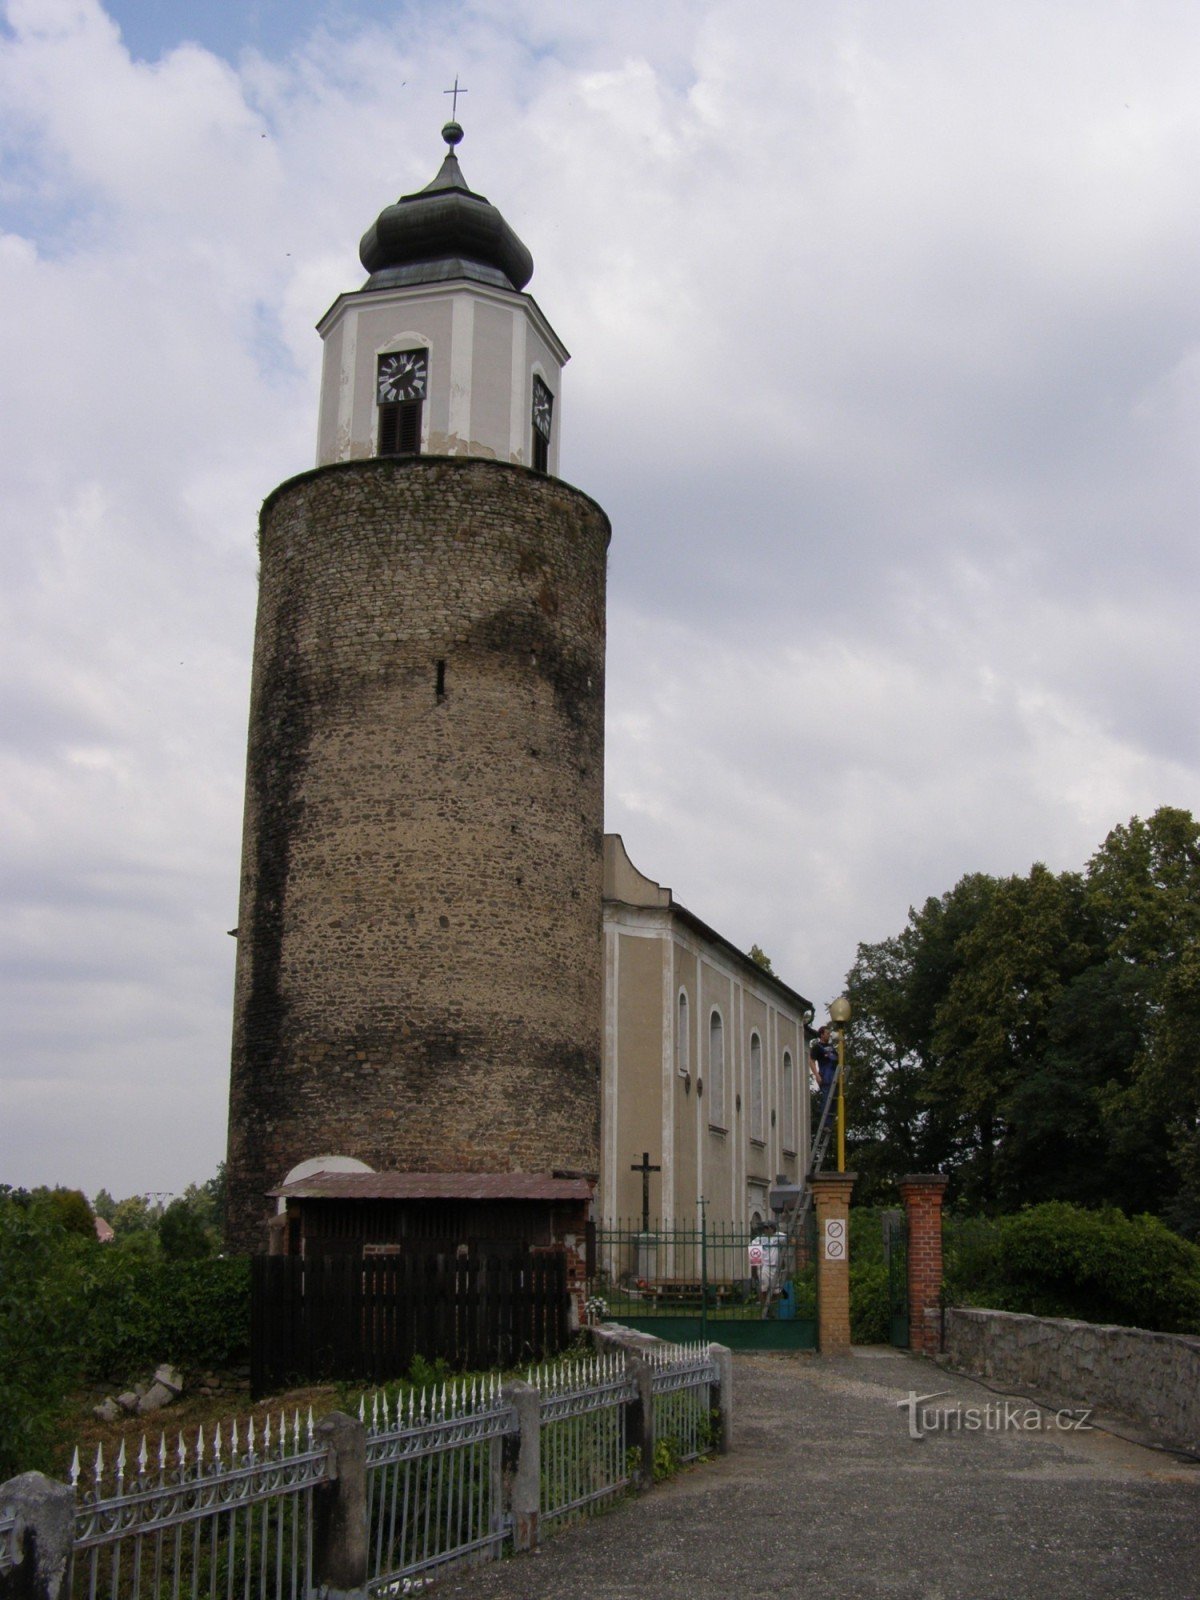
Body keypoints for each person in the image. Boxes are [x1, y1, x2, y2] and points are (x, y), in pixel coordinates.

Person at [809, 1024, 838, 1131]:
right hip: (826, 1074)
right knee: (827, 1098)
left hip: (834, 1073)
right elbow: (811, 1060)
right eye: (827, 1033)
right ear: (821, 1035)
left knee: (834, 1098)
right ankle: (825, 1124)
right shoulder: (818, 1047)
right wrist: (816, 1075)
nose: (829, 1035)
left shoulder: (831, 1047)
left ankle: (830, 1123)